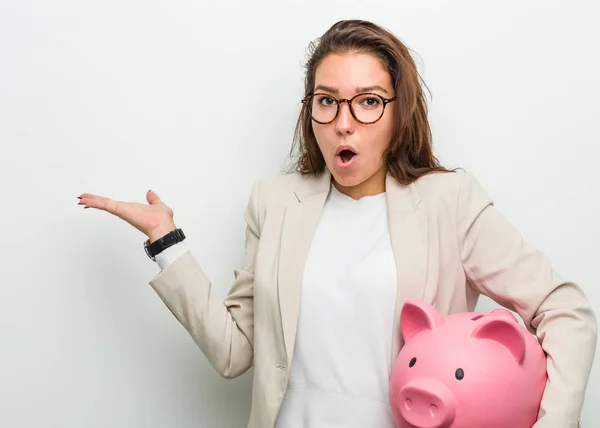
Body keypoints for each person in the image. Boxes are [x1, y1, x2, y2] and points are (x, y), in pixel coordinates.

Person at [78, 19, 597, 428]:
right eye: (327, 101)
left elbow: (565, 309)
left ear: (399, 112)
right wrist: (166, 243)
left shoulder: (448, 201)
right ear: (310, 112)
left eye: (368, 102)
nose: (343, 121)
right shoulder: (274, 203)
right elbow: (235, 353)